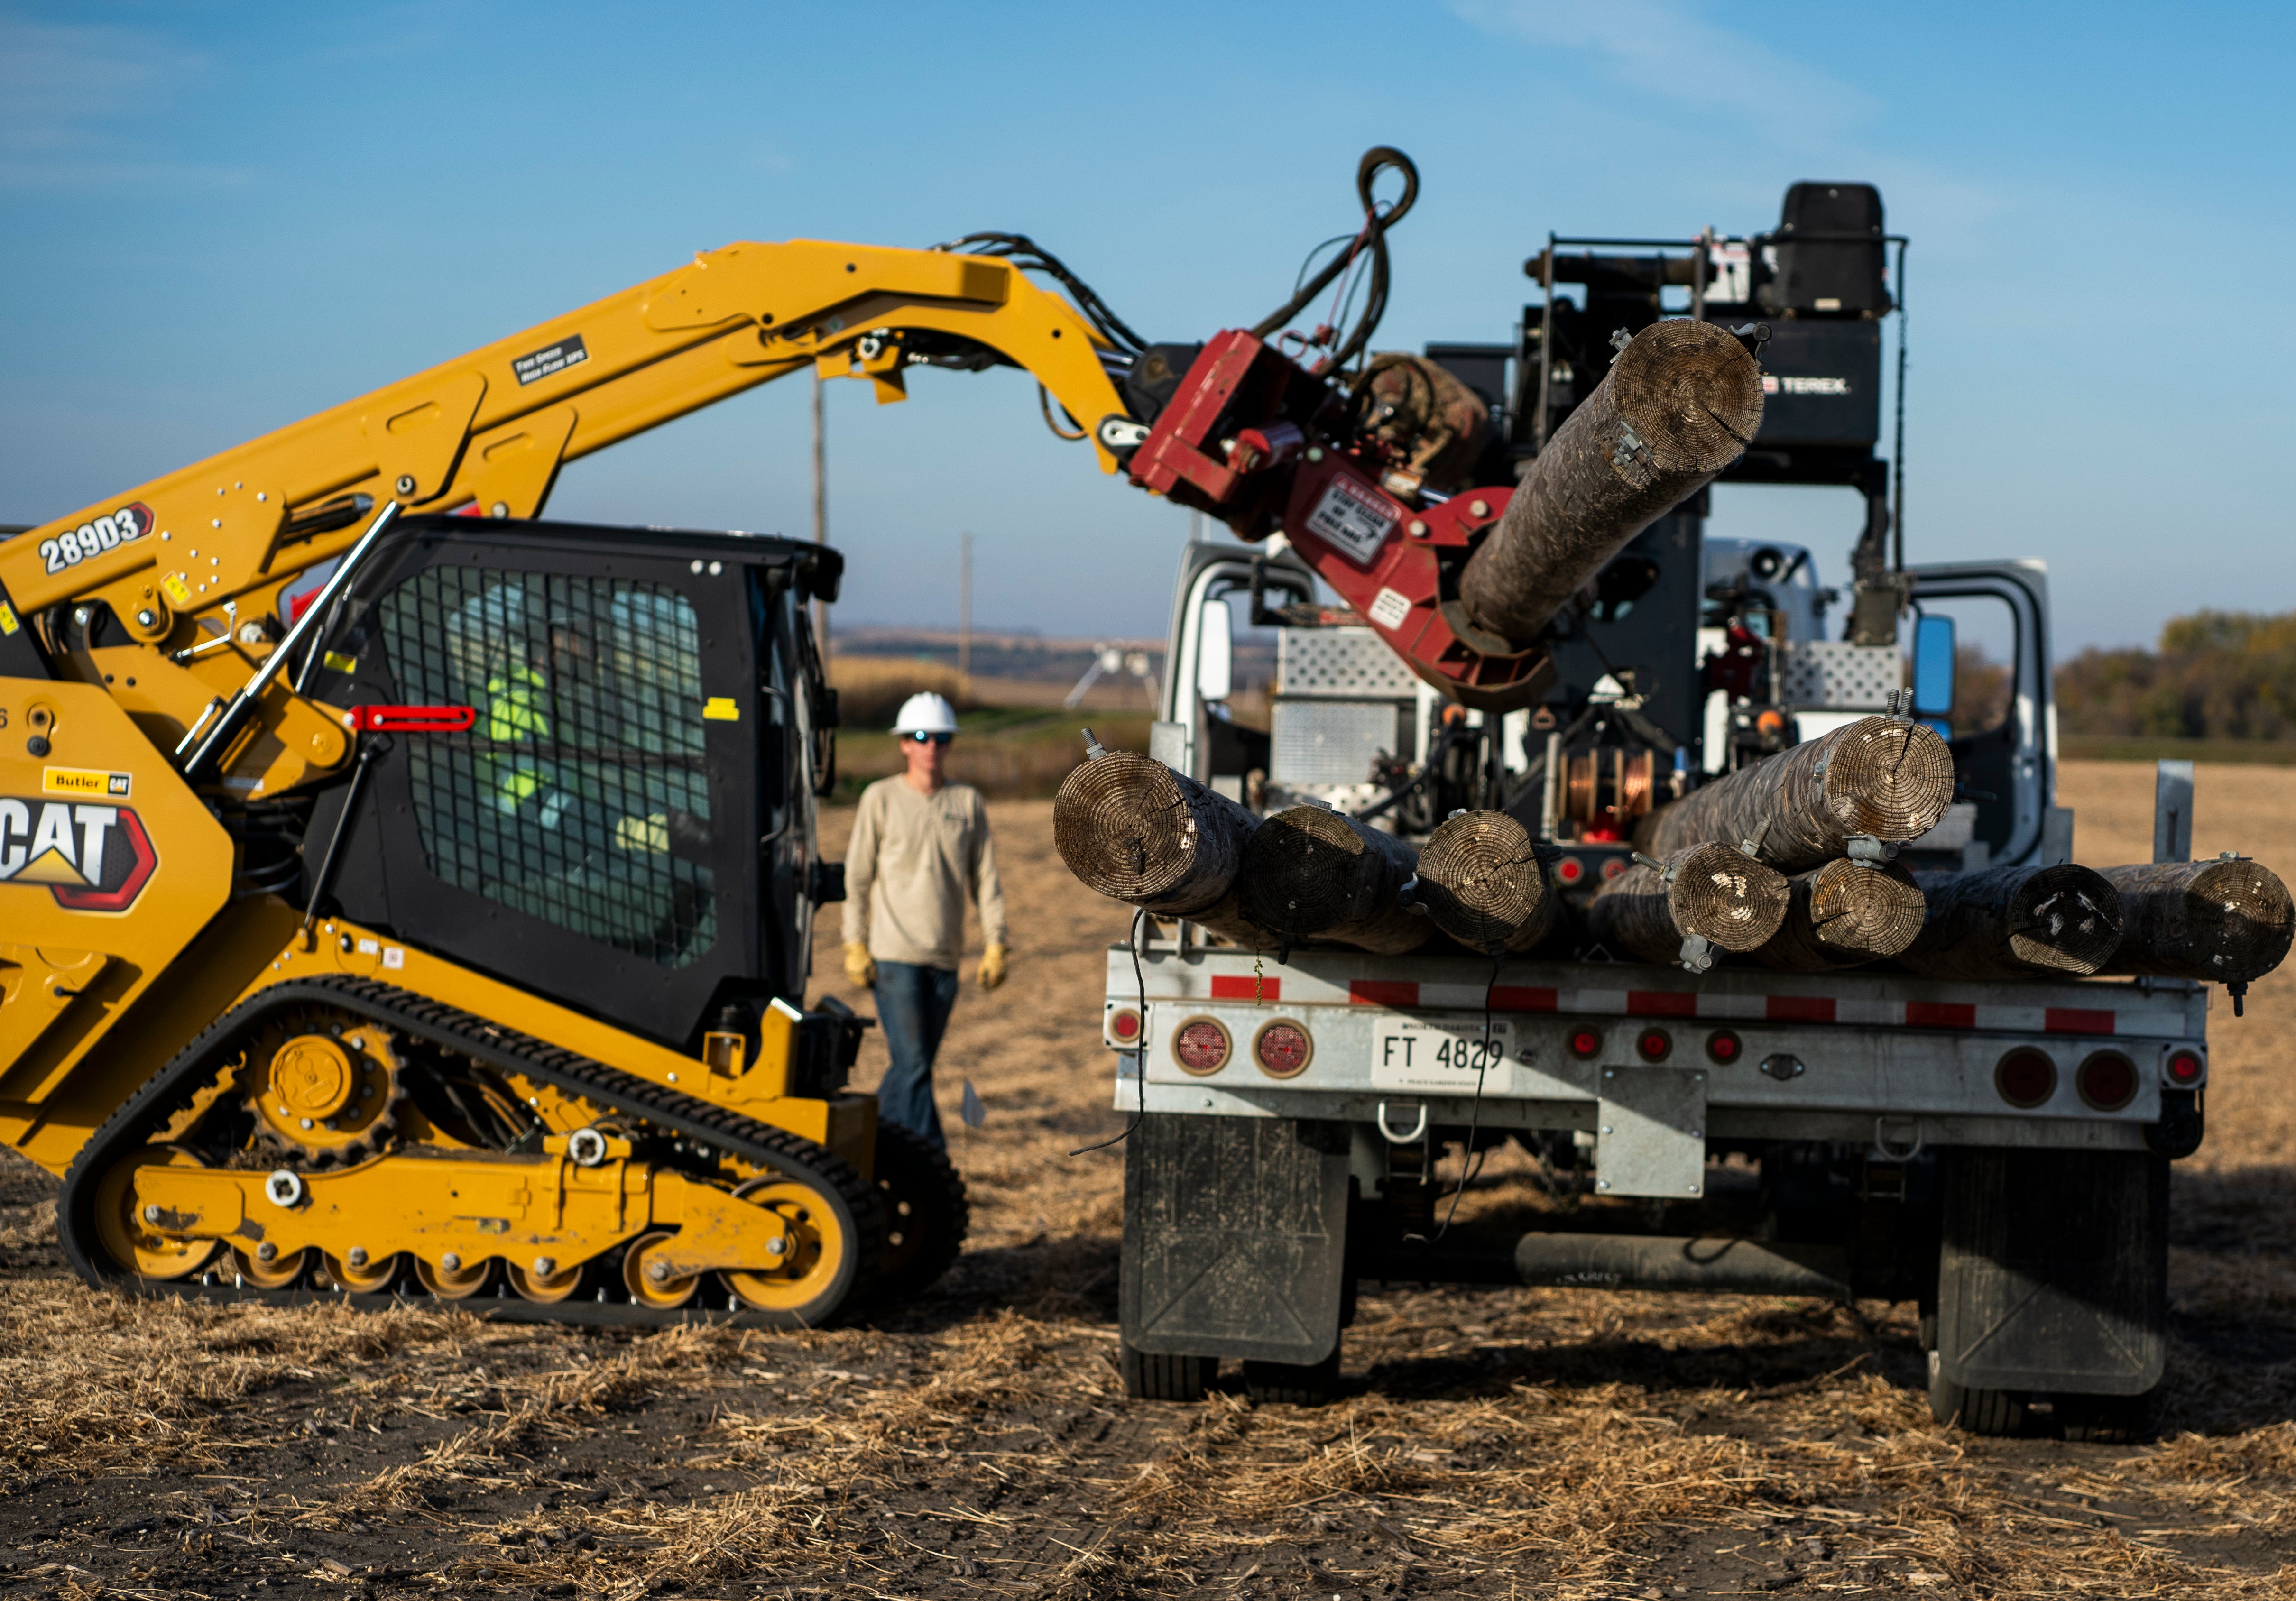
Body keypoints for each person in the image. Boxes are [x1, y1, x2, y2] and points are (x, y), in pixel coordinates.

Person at [841, 691, 1008, 1149]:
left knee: (913, 1070)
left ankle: (872, 1147)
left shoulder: (967, 803)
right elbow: (857, 878)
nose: (930, 746)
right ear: (904, 745)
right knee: (913, 1063)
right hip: (894, 957)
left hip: (945, 959)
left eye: (940, 738)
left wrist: (997, 943)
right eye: (920, 737)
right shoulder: (879, 799)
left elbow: (985, 879)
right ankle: (929, 1156)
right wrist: (853, 943)